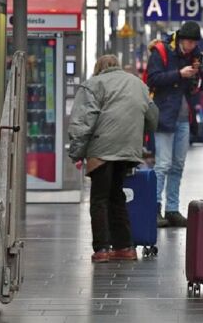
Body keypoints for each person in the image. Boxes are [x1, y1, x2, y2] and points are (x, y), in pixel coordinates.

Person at [68, 55, 159, 263]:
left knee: (99, 199)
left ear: (98, 68)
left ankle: (102, 249)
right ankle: (125, 247)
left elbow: (83, 122)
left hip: (102, 149)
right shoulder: (138, 84)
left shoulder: (93, 84)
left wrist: (76, 151)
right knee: (117, 196)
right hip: (128, 149)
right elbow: (153, 119)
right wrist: (137, 134)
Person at [147, 21, 203, 227]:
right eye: (188, 42)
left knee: (177, 165)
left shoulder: (196, 56)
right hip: (165, 115)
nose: (191, 46)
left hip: (185, 117)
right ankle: (154, 209)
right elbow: (152, 79)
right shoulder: (161, 51)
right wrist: (179, 74)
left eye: (194, 43)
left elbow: (201, 87)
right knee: (163, 164)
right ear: (180, 39)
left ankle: (172, 209)